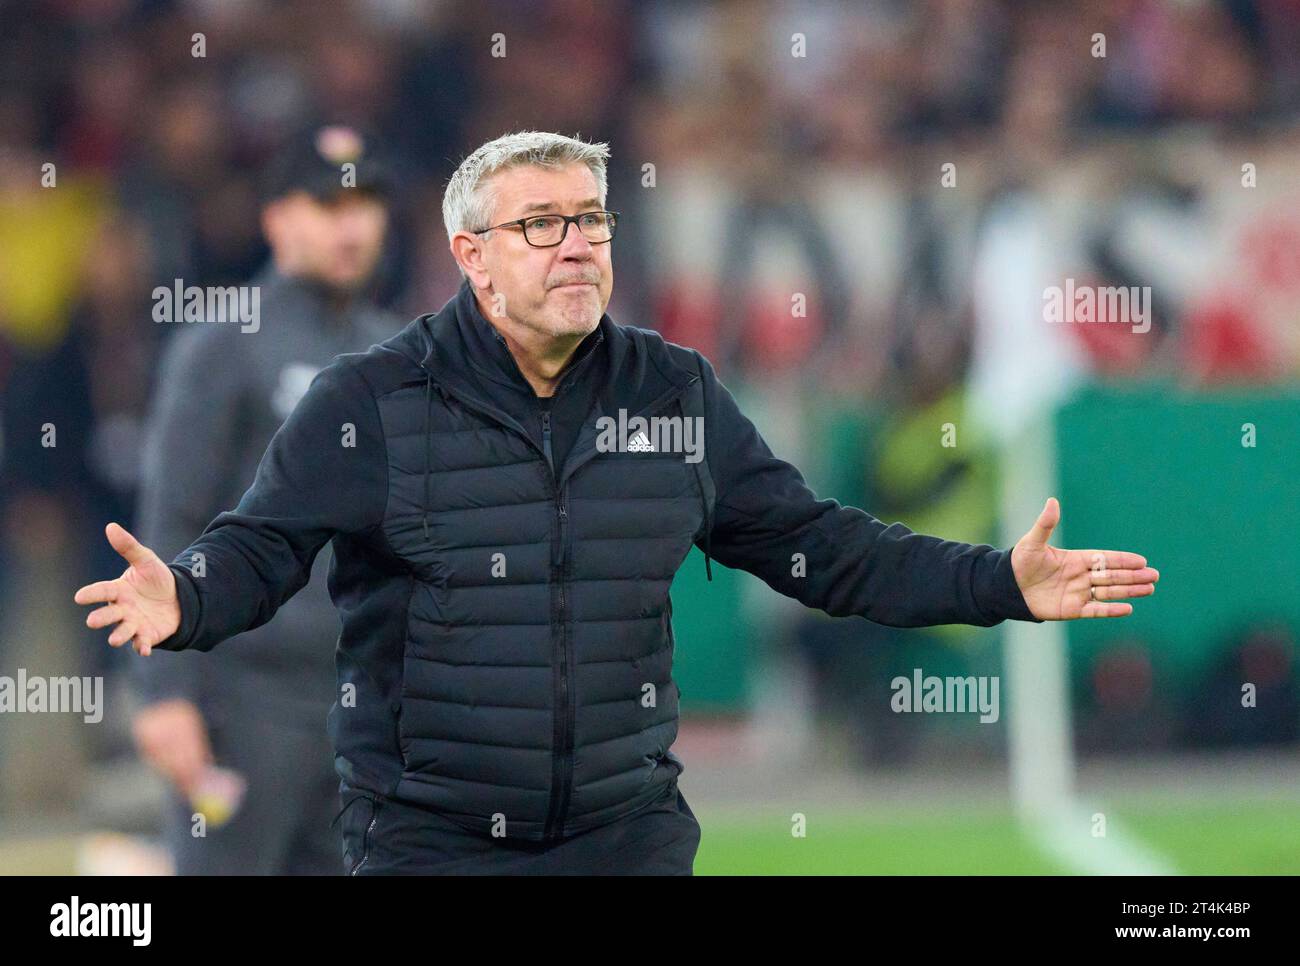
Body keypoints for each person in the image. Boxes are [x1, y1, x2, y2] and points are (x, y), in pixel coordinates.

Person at [76, 130, 1159, 876]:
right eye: (540, 225)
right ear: (472, 258)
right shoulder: (369, 399)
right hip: (432, 841)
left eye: (589, 219)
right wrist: (190, 599)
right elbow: (264, 544)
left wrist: (997, 582)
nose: (577, 243)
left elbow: (819, 549)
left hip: (626, 832)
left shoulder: (672, 392)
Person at [128, 125, 403, 874]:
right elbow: (172, 517)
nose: (352, 224)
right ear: (278, 218)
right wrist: (165, 692)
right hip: (242, 697)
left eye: (367, 203)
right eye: (326, 204)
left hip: (361, 703)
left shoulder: (396, 351)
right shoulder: (224, 343)